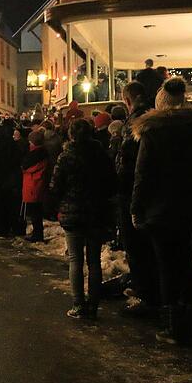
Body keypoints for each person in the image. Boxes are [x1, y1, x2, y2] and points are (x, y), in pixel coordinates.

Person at [131, 77, 192, 345]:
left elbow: (143, 174)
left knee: (166, 266)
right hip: (190, 208)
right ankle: (189, 324)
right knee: (188, 265)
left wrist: (136, 207)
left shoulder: (153, 132)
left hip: (160, 210)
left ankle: (172, 325)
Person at [50, 118, 117, 319]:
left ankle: (78, 303)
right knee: (94, 260)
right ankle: (93, 303)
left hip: (72, 212)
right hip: (96, 212)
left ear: (71, 135)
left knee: (75, 259)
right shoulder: (101, 156)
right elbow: (112, 182)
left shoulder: (66, 157)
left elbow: (55, 186)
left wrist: (60, 201)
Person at [115, 80, 159, 316]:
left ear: (127, 100)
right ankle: (151, 291)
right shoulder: (156, 117)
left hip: (134, 192)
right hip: (152, 192)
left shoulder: (135, 123)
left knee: (138, 247)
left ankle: (146, 295)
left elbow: (129, 164)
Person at [20, 129, 49, 242]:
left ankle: (37, 234)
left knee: (35, 212)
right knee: (35, 211)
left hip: (33, 184)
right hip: (35, 184)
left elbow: (27, 167)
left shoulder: (35, 156)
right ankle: (37, 232)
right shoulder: (42, 153)